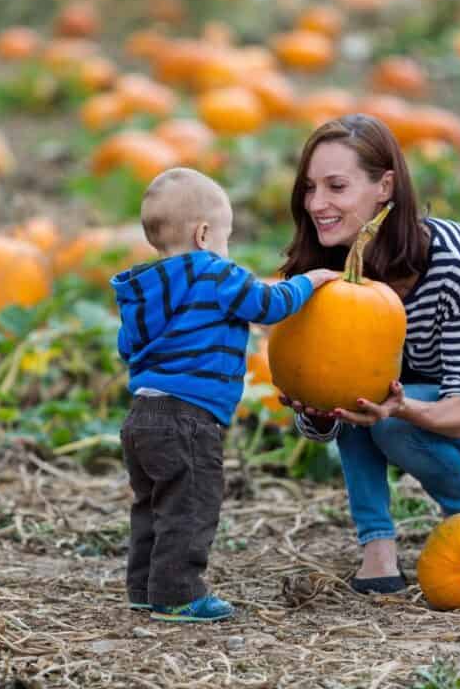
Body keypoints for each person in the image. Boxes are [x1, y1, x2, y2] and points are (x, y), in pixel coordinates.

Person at [278, 114, 460, 594]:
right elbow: (323, 421)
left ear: (384, 186)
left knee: (384, 411)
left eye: (337, 187)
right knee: (359, 399)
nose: (317, 204)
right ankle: (377, 551)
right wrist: (316, 411)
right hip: (407, 408)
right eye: (309, 188)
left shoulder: (454, 262)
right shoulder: (326, 269)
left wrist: (399, 407)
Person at [111, 167, 338, 622]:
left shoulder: (144, 289)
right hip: (188, 417)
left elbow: (126, 347)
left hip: (142, 415)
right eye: (226, 239)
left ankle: (143, 587)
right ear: (203, 234)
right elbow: (268, 306)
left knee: (152, 506)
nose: (227, 250)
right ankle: (177, 594)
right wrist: (310, 281)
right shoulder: (214, 273)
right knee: (191, 505)